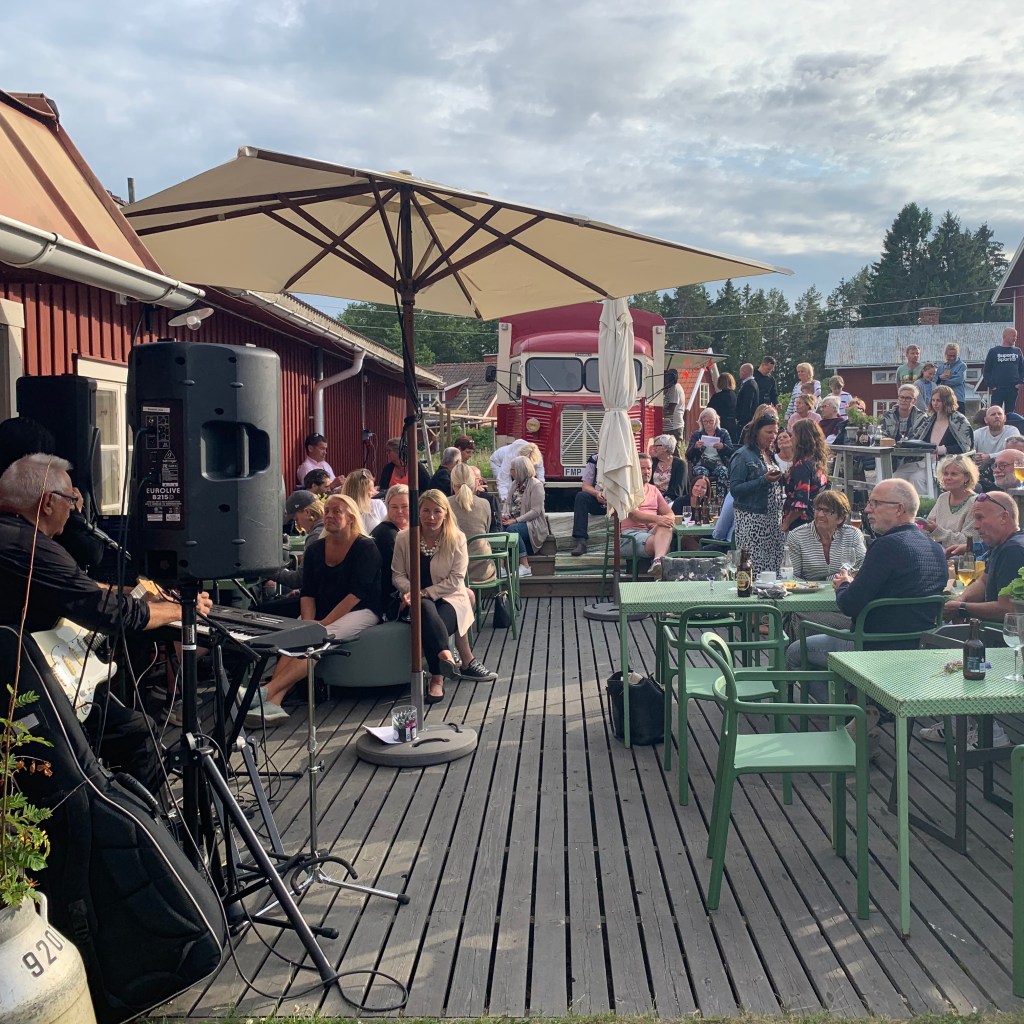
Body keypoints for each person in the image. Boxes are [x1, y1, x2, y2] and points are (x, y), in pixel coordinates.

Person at [0, 454, 212, 791]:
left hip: (25, 679)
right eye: (72, 499)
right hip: (29, 690)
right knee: (138, 733)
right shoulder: (30, 546)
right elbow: (108, 612)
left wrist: (136, 592)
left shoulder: (15, 538)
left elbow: (76, 587)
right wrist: (179, 610)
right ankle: (141, 828)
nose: (75, 510)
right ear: (49, 503)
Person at [784, 480, 948, 738]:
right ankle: (866, 711)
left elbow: (849, 605)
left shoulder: (886, 546)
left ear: (899, 509)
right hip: (919, 649)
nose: (868, 510)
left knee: (795, 651)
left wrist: (844, 585)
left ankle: (852, 720)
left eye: (874, 503)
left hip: (872, 647)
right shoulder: (935, 548)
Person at [249, 494, 382, 725]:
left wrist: (321, 625)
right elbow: (308, 591)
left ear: (351, 517)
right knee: (297, 636)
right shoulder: (315, 550)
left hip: (362, 610)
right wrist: (307, 623)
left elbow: (355, 595)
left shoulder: (366, 547)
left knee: (319, 637)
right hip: (320, 608)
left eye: (336, 511)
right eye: (327, 510)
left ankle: (265, 691)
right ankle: (275, 702)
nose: (329, 515)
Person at [392, 490, 496, 702]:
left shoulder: (456, 538)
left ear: (446, 514)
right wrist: (413, 592)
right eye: (426, 511)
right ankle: (443, 660)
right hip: (414, 600)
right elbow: (398, 574)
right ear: (418, 513)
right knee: (424, 607)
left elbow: (456, 579)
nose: (431, 517)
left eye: (437, 511)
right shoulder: (404, 538)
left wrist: (425, 592)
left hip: (449, 598)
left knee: (429, 616)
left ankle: (438, 677)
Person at [729, 412, 785, 576]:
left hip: (773, 523)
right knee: (754, 569)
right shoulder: (742, 456)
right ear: (756, 432)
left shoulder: (769, 454)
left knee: (773, 569)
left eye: (775, 432)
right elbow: (735, 489)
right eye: (768, 432)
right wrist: (764, 480)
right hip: (752, 523)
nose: (773, 436)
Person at [786, 489, 866, 582]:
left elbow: (864, 568)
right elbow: (791, 576)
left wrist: (836, 579)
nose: (820, 515)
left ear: (840, 518)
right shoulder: (797, 536)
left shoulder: (852, 534)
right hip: (809, 593)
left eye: (827, 511)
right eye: (818, 509)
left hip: (845, 589)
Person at [618, 453, 675, 577]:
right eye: (642, 468)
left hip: (650, 533)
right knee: (663, 544)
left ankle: (657, 561)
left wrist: (660, 521)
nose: (646, 472)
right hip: (630, 536)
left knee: (667, 526)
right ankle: (660, 579)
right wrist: (657, 519)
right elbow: (634, 514)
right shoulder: (627, 490)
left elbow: (670, 514)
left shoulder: (654, 490)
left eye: (649, 468)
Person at [922, 454, 979, 558]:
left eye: (954, 474)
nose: (948, 478)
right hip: (937, 555)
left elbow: (968, 541)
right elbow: (928, 528)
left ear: (967, 477)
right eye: (945, 474)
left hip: (962, 561)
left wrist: (937, 531)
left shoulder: (976, 503)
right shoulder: (943, 498)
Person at [502, 455, 549, 578]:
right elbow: (507, 503)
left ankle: (525, 566)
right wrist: (506, 514)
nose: (510, 472)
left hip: (532, 523)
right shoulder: (514, 484)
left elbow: (536, 511)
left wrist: (516, 520)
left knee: (513, 530)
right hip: (514, 519)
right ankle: (501, 566)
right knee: (499, 528)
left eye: (512, 469)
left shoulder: (536, 485)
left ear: (520, 470)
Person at [449, 465, 496, 586]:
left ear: (453, 484)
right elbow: (486, 530)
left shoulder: (445, 504)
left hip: (454, 572)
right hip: (483, 570)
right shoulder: (485, 503)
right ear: (474, 483)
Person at [781, 420, 829, 532]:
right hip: (816, 517)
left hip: (801, 523)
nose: (790, 439)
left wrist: (786, 523)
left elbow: (801, 502)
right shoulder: (817, 461)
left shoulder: (802, 465)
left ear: (801, 438)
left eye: (792, 435)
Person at [370, 484, 411, 611]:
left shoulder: (416, 529)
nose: (399, 511)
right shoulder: (386, 534)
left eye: (404, 506)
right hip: (391, 597)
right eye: (394, 507)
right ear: (387, 507)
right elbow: (394, 574)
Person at [684, 408, 733, 493]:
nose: (708, 424)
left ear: (716, 421)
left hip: (718, 463)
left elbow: (731, 452)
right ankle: (703, 497)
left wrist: (723, 447)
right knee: (702, 473)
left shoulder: (723, 433)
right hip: (702, 463)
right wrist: (695, 447)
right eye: (705, 422)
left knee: (723, 471)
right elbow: (688, 455)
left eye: (711, 421)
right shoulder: (697, 434)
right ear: (701, 422)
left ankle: (720, 499)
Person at [980, 327, 1024, 412]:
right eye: (1013, 336)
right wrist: (992, 385)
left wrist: (1020, 383)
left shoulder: (1017, 351)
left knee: (1010, 413)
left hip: (1012, 388)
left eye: (1016, 336)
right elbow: (986, 371)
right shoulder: (994, 351)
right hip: (998, 389)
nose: (1015, 338)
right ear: (1005, 336)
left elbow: (1022, 369)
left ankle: (1010, 425)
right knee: (995, 411)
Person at [570, 450, 605, 556]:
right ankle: (581, 542)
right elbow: (585, 486)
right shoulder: (594, 459)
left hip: (616, 502)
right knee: (581, 496)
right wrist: (597, 493)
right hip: (598, 499)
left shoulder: (622, 459)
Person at [650, 434, 690, 511]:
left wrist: (662, 502)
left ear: (665, 448)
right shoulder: (652, 462)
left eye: (656, 446)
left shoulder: (680, 464)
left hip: (672, 500)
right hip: (653, 498)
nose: (654, 448)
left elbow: (678, 489)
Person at [973, 403, 1020, 468]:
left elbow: (1014, 451)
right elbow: (970, 452)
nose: (997, 416)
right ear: (986, 420)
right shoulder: (977, 433)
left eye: (999, 414)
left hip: (1006, 470)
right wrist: (975, 457)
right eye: (993, 414)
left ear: (1005, 418)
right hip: (982, 472)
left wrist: (989, 457)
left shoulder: (1012, 430)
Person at [342, 467, 388, 532]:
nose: (375, 492)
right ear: (359, 492)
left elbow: (387, 528)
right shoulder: (342, 510)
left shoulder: (377, 504)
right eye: (370, 490)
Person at [708, 372, 739, 442]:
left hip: (720, 424)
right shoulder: (734, 396)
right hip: (732, 424)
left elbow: (709, 411)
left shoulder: (717, 397)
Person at [734, 363, 760, 432]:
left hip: (746, 423)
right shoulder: (753, 383)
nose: (740, 373)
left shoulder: (749, 385)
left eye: (740, 371)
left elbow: (747, 404)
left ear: (744, 372)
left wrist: (742, 422)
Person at [663, 371, 686, 446]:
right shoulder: (670, 388)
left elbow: (671, 409)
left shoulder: (674, 388)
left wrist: (657, 414)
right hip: (669, 426)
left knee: (674, 451)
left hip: (673, 426)